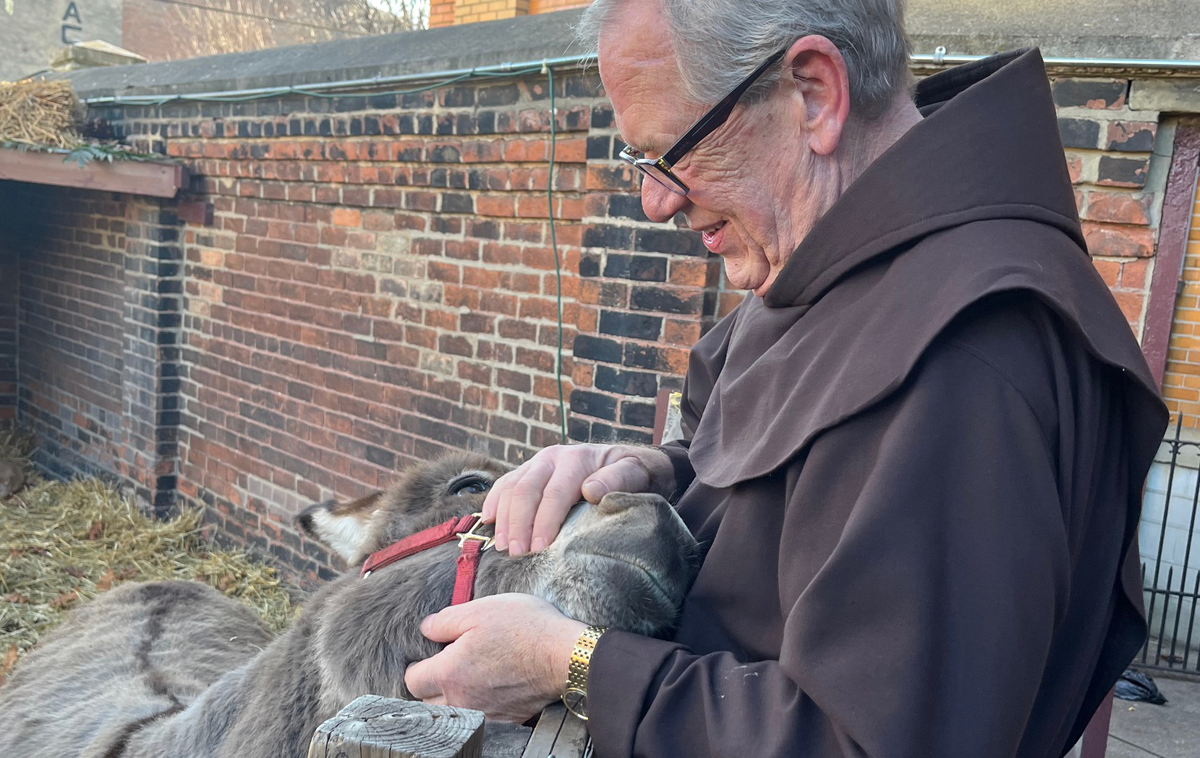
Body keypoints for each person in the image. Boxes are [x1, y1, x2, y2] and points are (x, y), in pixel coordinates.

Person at [404, 0, 1169, 755]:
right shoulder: (837, 259)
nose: (656, 200)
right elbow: (758, 473)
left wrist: (568, 664)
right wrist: (640, 473)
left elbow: (872, 742)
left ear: (813, 93)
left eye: (672, 151)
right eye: (640, 161)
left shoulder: (971, 354)